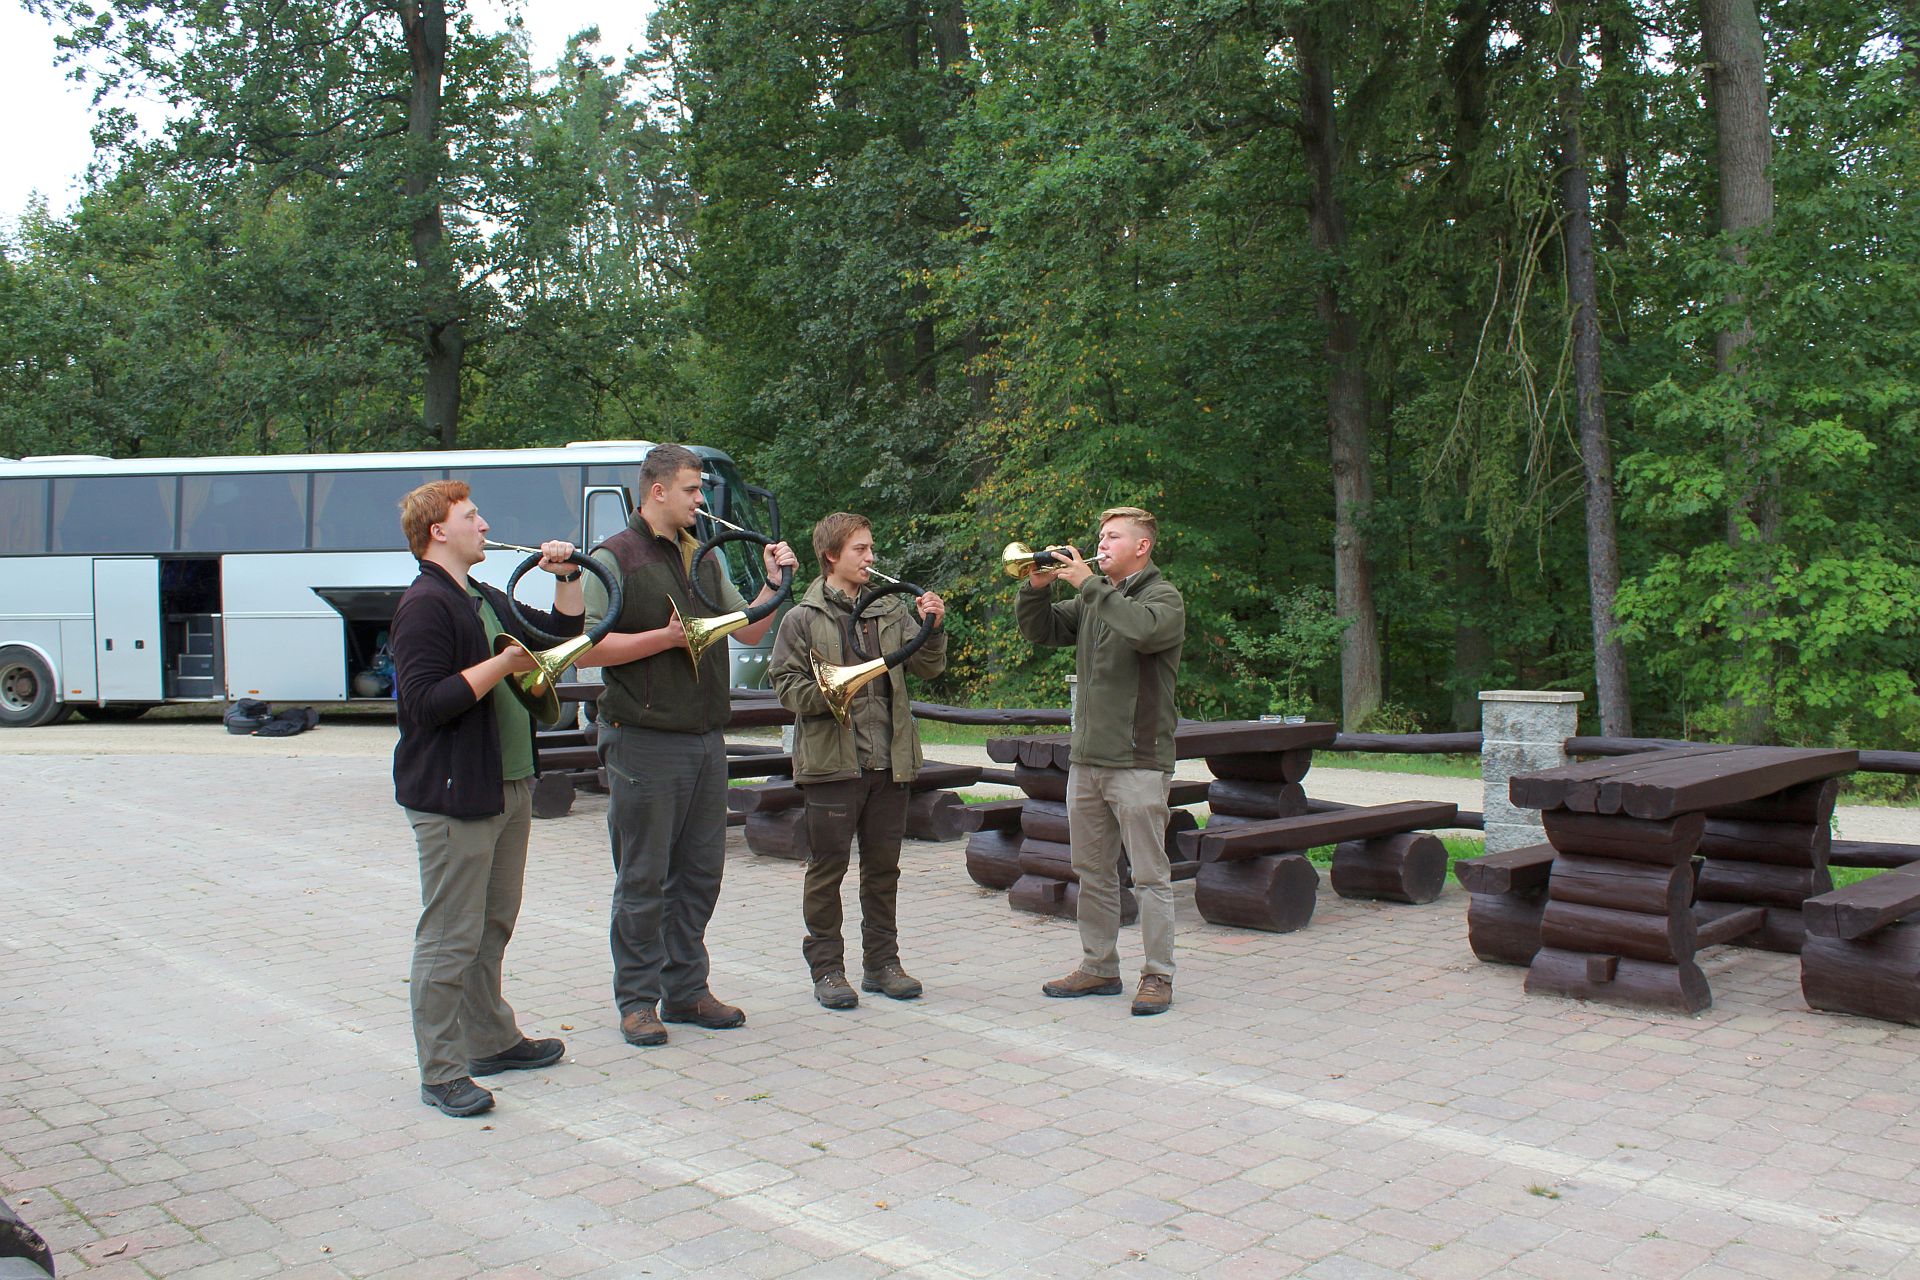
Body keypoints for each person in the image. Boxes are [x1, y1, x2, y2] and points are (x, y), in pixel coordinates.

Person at [583, 444, 798, 1047]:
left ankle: (686, 991)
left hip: (704, 737)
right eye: (691, 490)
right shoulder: (613, 557)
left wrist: (775, 583)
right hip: (642, 739)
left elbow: (748, 629)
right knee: (643, 878)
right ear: (657, 491)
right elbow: (587, 649)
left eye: (701, 490)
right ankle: (637, 1001)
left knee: (700, 874)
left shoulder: (704, 555)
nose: (701, 501)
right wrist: (665, 639)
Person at [391, 480, 583, 1117]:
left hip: (508, 784)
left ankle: (491, 1041)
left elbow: (560, 634)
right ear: (438, 531)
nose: (484, 525)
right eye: (472, 516)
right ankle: (441, 1071)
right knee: (450, 936)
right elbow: (424, 703)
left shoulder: (481, 596)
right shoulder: (426, 604)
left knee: (492, 924)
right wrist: (502, 665)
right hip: (456, 796)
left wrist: (566, 576)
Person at [768, 513, 947, 1010]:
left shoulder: (890, 609)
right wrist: (832, 694)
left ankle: (883, 964)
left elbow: (928, 666)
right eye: (860, 549)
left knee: (883, 870)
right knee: (827, 870)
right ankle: (827, 969)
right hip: (832, 765)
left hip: (889, 761)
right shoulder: (803, 617)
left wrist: (933, 628)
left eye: (871, 548)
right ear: (832, 556)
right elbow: (785, 684)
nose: (871, 557)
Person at [1015, 507, 1186, 1016]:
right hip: (1088, 759)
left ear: (1142, 547)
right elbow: (1041, 630)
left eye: (1113, 537)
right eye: (1100, 536)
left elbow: (1143, 632)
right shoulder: (1096, 597)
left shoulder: (1163, 598)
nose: (1101, 545)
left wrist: (1088, 585)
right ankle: (1099, 967)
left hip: (1138, 760)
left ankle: (1158, 974)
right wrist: (1036, 589)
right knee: (1092, 871)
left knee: (1149, 875)